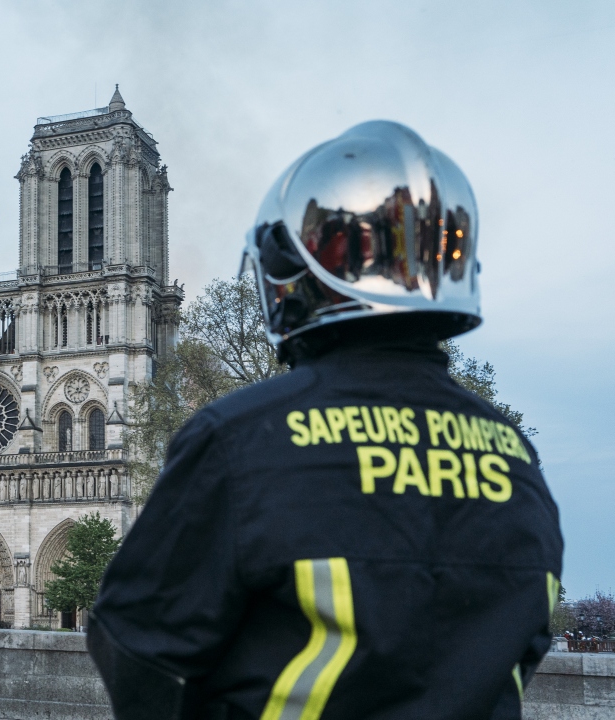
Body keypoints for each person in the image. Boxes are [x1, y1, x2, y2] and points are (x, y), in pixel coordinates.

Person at [87, 122, 563, 720]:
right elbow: (522, 645)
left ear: (289, 271)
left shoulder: (239, 437)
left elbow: (134, 637)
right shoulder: (516, 456)